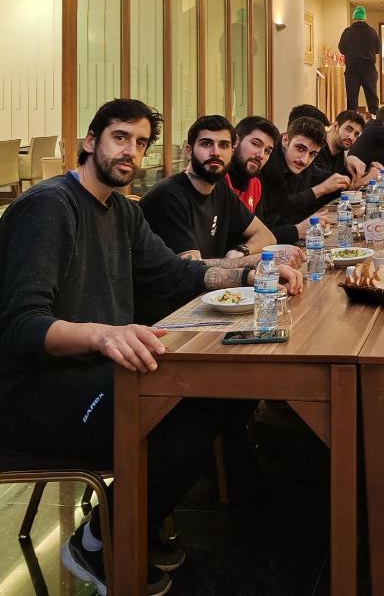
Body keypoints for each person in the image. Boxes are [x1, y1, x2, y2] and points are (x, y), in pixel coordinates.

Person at [0, 99, 281, 596]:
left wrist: (252, 273)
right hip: (31, 392)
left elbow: (176, 273)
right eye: (120, 138)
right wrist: (103, 334)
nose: (131, 151)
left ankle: (128, 524)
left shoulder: (123, 212)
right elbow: (22, 326)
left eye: (141, 142)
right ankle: (98, 541)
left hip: (92, 374)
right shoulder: (49, 207)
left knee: (212, 401)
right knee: (179, 422)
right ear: (91, 142)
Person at [140, 115, 302, 280]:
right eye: (206, 144)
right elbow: (191, 269)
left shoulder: (220, 188)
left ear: (232, 152)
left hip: (207, 289)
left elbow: (266, 235)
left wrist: (241, 251)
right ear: (189, 151)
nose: (216, 152)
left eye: (223, 145)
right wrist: (264, 261)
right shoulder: (168, 195)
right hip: (176, 295)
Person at [224, 115, 321, 245]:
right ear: (236, 141)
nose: (260, 155)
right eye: (255, 144)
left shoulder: (254, 183)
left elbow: (262, 233)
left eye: (267, 151)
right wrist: (295, 231)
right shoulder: (222, 182)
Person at [260, 116, 350, 231]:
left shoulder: (303, 162)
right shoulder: (266, 164)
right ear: (285, 140)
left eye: (313, 154)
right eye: (300, 149)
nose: (304, 160)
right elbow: (273, 219)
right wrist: (297, 230)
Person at [338, 6, 381, 116]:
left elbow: (342, 48)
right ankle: (376, 119)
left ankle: (352, 120)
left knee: (352, 97)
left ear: (354, 18)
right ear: (364, 18)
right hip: (369, 68)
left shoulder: (348, 31)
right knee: (372, 96)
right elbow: (378, 50)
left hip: (352, 67)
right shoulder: (372, 32)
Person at [312, 109, 372, 186]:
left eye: (356, 134)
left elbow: (344, 179)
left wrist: (368, 172)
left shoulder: (339, 151)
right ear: (335, 126)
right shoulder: (316, 149)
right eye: (348, 130)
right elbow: (329, 187)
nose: (351, 137)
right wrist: (369, 178)